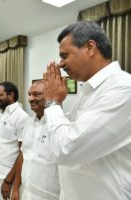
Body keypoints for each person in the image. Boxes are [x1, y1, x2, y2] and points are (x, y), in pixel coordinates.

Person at [43, 21, 131, 200]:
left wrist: (52, 102)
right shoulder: (88, 90)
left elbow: (66, 149)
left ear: (90, 47)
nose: (60, 64)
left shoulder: (123, 89)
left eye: (65, 55)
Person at [11, 80, 60, 200]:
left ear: (50, 96)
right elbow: (23, 155)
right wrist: (16, 188)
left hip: (50, 195)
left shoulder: (59, 124)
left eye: (36, 94)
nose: (30, 99)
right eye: (29, 94)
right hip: (26, 192)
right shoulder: (29, 122)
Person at [0, 81, 29, 200]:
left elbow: (23, 152)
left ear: (11, 95)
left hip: (9, 175)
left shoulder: (21, 117)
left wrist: (8, 181)